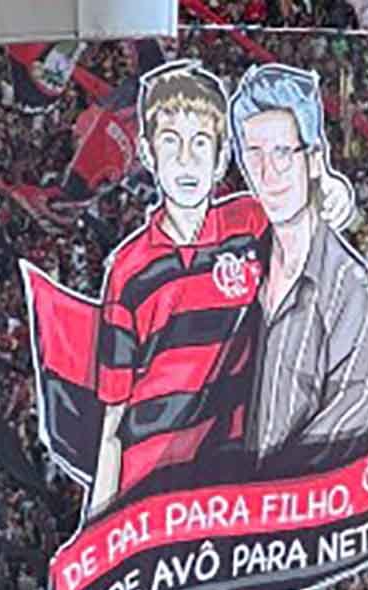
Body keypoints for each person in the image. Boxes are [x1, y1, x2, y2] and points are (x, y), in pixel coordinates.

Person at [87, 60, 352, 515]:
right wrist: (97, 523)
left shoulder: (249, 221)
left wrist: (330, 187)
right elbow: (113, 417)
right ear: (149, 154)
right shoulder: (128, 269)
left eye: (200, 143)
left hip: (226, 487)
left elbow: (323, 210)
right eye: (171, 143)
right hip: (148, 491)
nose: (186, 160)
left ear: (222, 155)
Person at [229, 64, 368, 469]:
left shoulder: (347, 285)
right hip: (226, 510)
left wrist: (265, 495)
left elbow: (350, 414)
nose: (268, 173)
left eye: (283, 153)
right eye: (254, 154)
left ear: (314, 159)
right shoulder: (235, 266)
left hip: (295, 515)